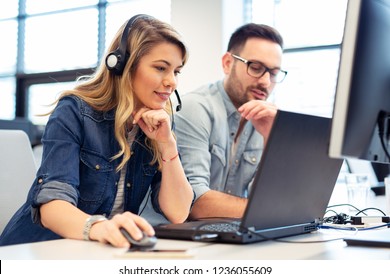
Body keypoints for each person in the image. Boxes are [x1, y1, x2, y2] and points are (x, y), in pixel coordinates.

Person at [0, 14, 194, 247]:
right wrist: (101, 226)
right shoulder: (74, 112)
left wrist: (167, 144)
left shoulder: (158, 125)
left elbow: (178, 212)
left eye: (176, 71)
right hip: (35, 250)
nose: (172, 82)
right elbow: (51, 207)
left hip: (97, 251)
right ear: (123, 66)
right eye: (161, 68)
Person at [175, 23, 287, 220]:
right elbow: (194, 203)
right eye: (256, 67)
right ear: (227, 63)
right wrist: (275, 210)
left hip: (231, 233)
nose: (265, 82)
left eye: (274, 73)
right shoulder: (194, 108)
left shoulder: (265, 118)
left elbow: (271, 197)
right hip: (183, 238)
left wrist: (273, 139)